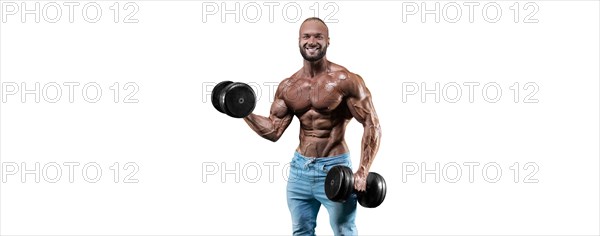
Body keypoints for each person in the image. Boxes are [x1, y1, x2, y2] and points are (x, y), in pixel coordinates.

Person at [243, 17, 382, 236]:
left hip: (335, 169)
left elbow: (371, 124)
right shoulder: (289, 86)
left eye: (318, 36)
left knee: (344, 230)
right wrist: (244, 112)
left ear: (328, 41)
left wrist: (363, 170)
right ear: (299, 40)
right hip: (300, 171)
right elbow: (273, 130)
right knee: (301, 231)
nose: (312, 41)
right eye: (306, 36)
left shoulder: (345, 80)